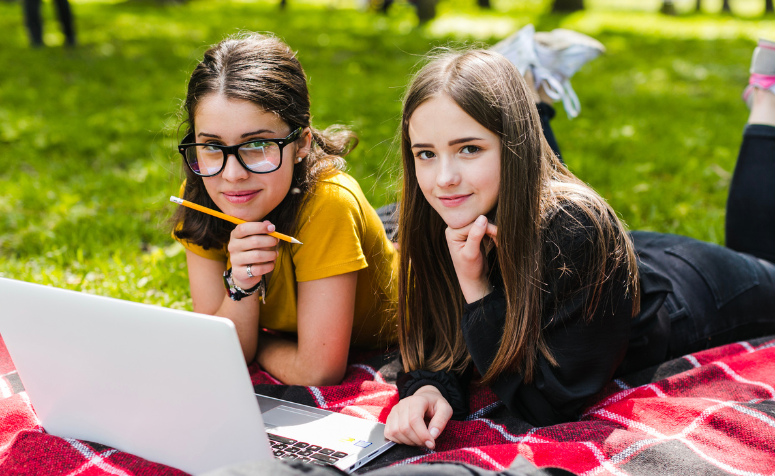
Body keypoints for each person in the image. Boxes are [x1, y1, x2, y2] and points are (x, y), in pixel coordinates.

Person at [384, 37, 775, 449]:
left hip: (694, 294)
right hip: (599, 267)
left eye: (468, 148)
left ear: (514, 145)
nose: (443, 177)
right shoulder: (434, 211)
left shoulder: (577, 230)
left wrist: (477, 289)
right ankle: (530, 87)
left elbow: (549, 405)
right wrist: (427, 389)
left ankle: (766, 98)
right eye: (425, 153)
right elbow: (434, 341)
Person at [171, 33, 398, 386]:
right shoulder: (201, 193)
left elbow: (317, 371)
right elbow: (219, 347)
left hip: (408, 320)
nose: (232, 175)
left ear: (302, 143)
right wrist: (241, 284)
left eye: (258, 145)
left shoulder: (328, 204)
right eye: (212, 146)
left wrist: (257, 342)